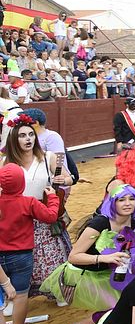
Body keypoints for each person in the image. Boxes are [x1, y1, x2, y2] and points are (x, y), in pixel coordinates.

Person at [41, 185, 135, 324]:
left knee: (128, 304)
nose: (127, 203)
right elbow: (74, 256)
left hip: (110, 272)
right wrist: (105, 258)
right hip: (83, 274)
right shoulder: (100, 223)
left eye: (132, 199)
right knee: (117, 307)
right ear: (112, 203)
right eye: (121, 200)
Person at [2, 115, 72, 299]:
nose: (28, 139)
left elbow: (69, 177)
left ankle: (57, 292)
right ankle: (21, 294)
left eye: (31, 135)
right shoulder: (6, 163)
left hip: (44, 212)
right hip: (20, 217)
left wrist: (62, 180)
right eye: (23, 136)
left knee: (52, 255)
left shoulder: (48, 157)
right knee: (26, 257)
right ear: (14, 139)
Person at [0, 163, 60, 324]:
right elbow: (50, 216)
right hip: (21, 255)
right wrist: (53, 198)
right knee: (21, 295)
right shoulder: (28, 202)